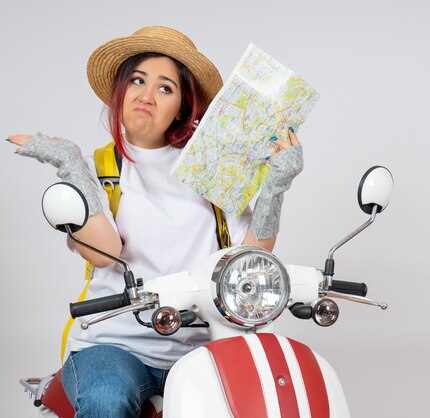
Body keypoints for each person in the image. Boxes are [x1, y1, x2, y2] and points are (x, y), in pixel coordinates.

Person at [6, 26, 303, 417]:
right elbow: (105, 254)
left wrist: (275, 187)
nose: (146, 95)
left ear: (181, 106)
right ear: (121, 91)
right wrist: (72, 164)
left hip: (205, 343)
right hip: (113, 345)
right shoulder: (100, 169)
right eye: (137, 81)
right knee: (107, 401)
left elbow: (252, 257)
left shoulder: (214, 167)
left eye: (165, 88)